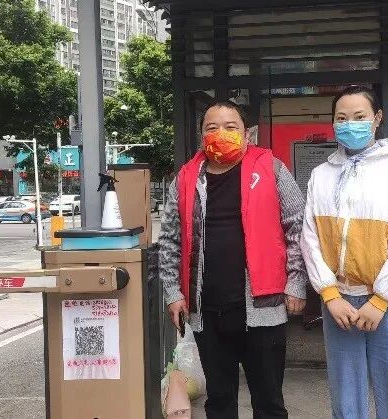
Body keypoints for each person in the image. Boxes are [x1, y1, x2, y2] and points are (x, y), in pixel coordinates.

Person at [158, 100, 307, 419]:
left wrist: (296, 282)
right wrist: (173, 292)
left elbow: (298, 226)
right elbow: (170, 238)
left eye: (230, 127)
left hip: (262, 309)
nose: (221, 133)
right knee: (219, 401)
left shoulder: (271, 168)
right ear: (202, 136)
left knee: (269, 402)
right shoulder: (186, 178)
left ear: (247, 134)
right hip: (207, 311)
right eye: (212, 128)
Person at [300, 85, 388, 419]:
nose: (350, 124)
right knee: (346, 400)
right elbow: (310, 238)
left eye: (359, 117)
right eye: (341, 118)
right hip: (339, 303)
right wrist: (329, 294)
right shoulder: (321, 175)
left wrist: (382, 299)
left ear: (377, 118)